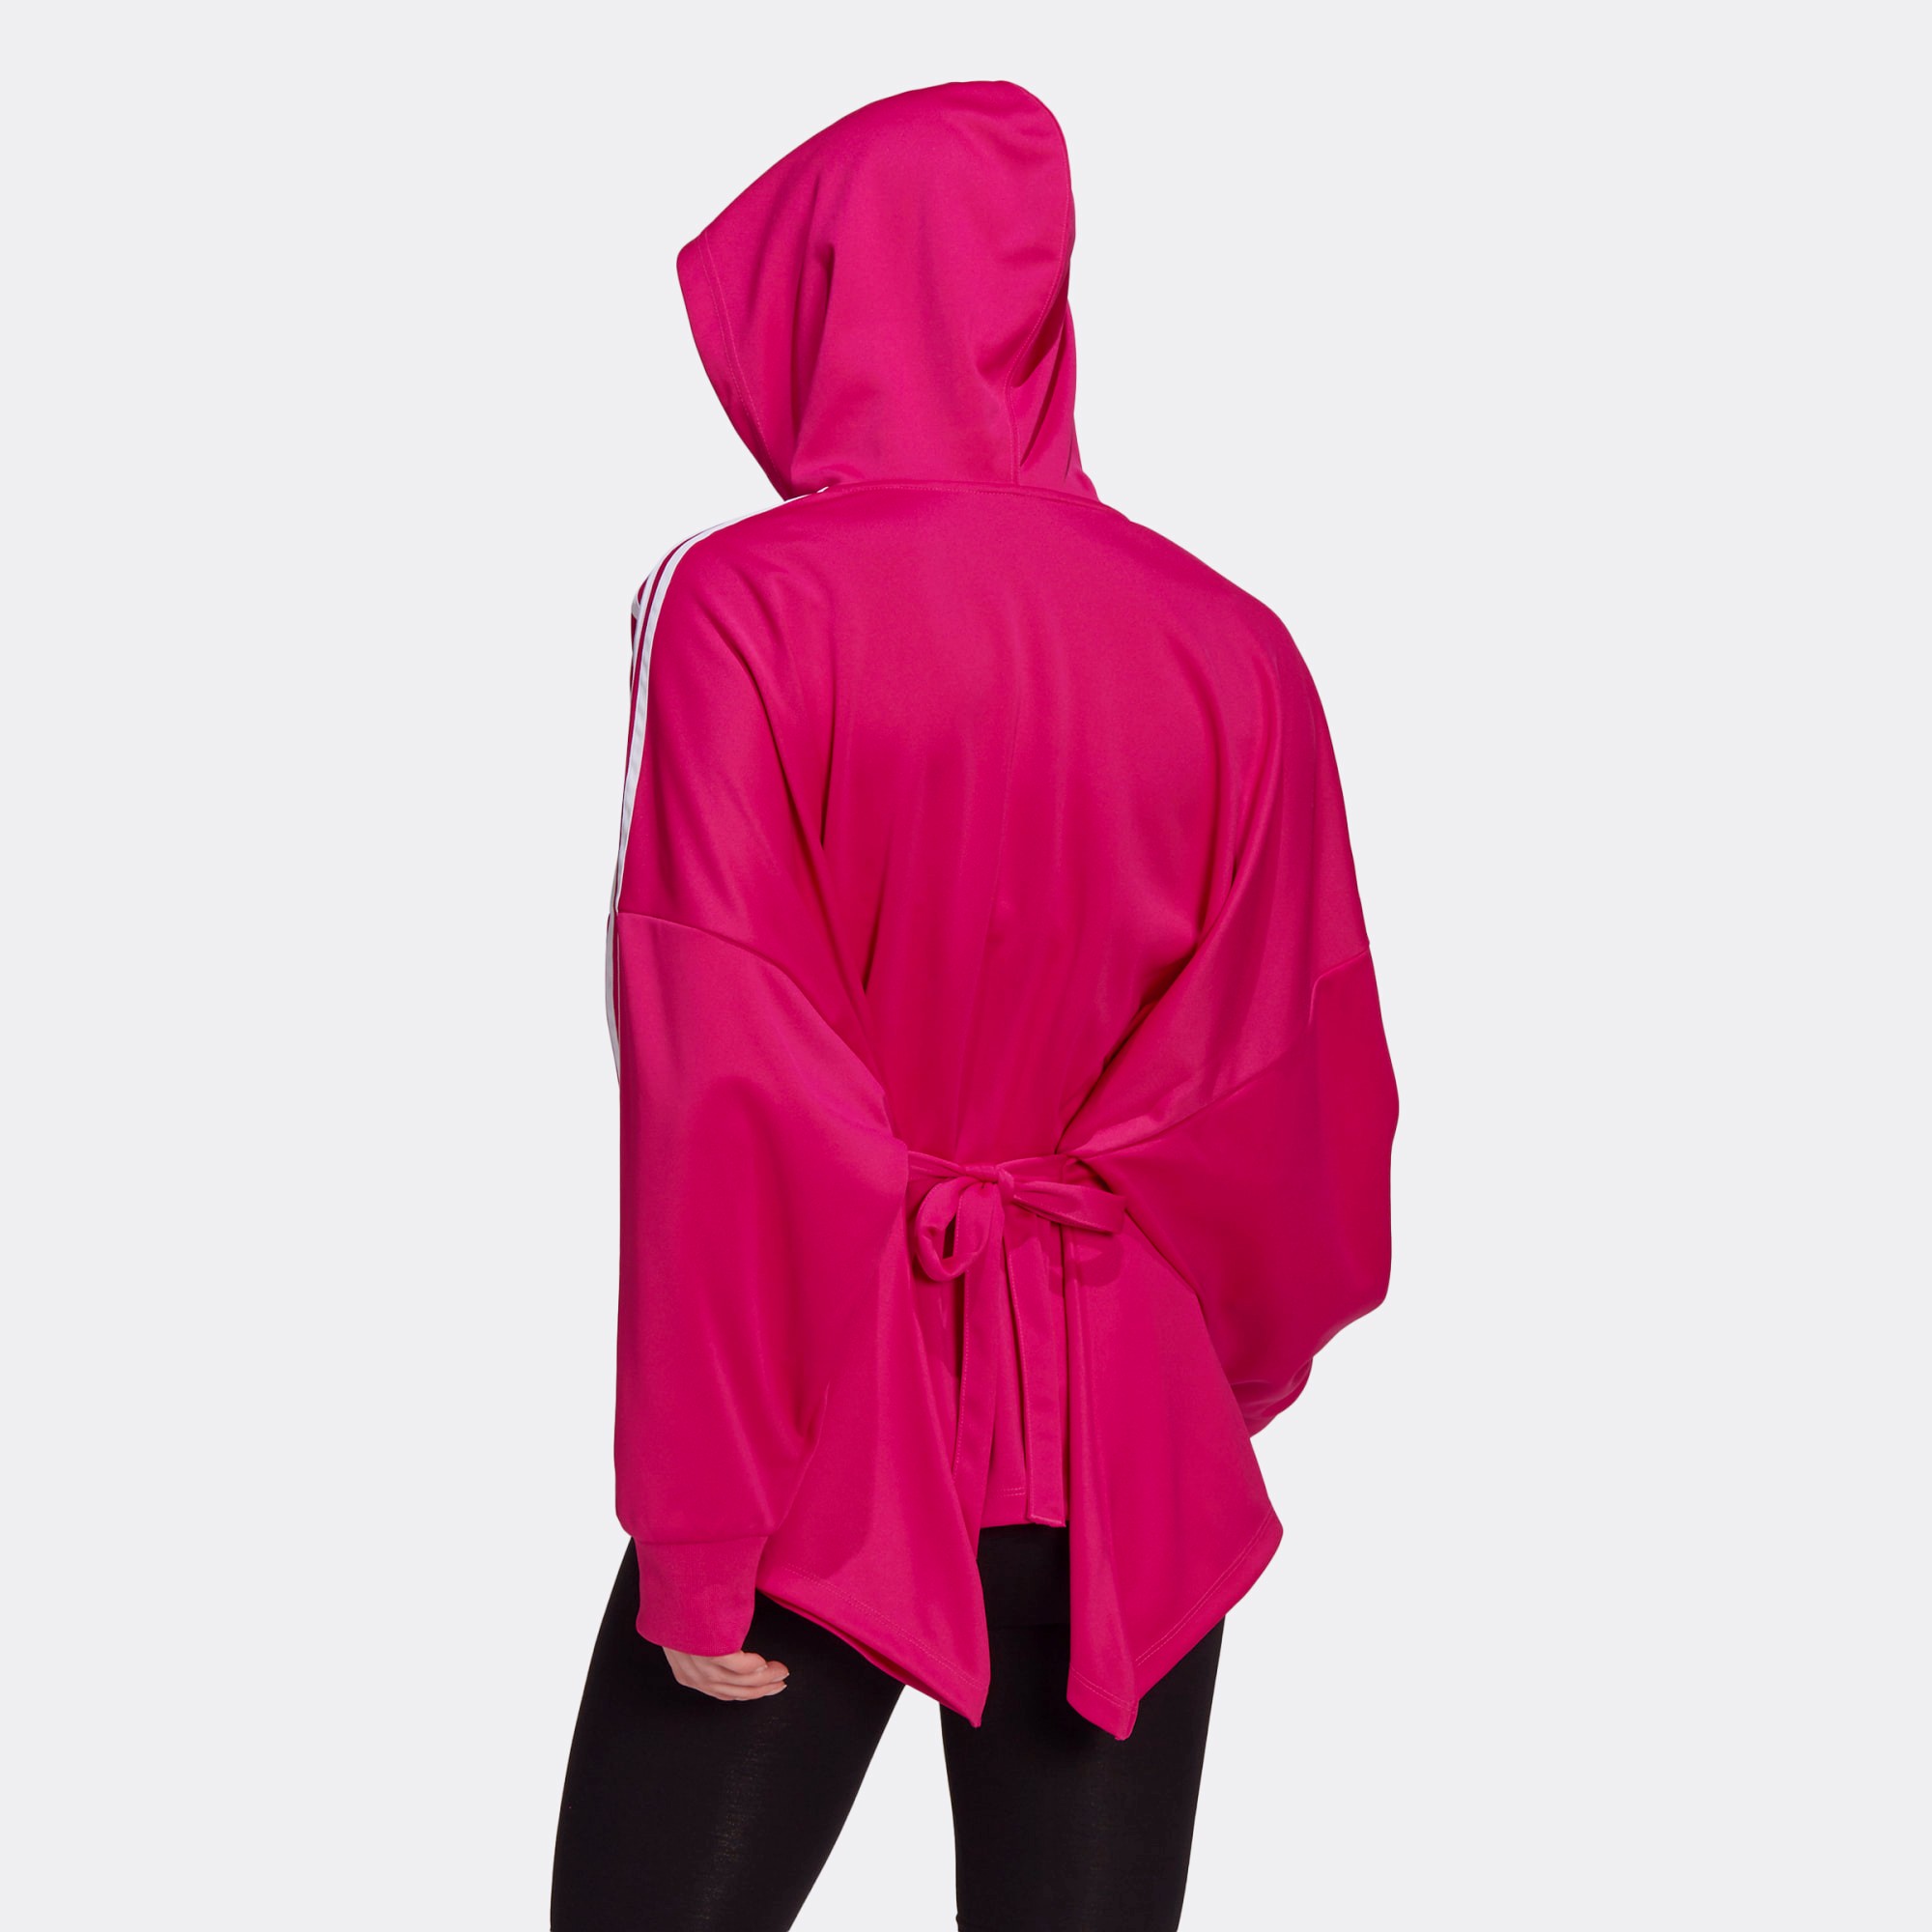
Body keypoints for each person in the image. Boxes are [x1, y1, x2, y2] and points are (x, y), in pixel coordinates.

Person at [551, 77, 1398, 1932]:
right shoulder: (1235, 645)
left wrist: (699, 1532)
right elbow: (1307, 1092)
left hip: (818, 1431)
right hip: (1126, 1443)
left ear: (824, 304)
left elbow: (726, 1085)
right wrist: (1201, 1387)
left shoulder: (740, 608)